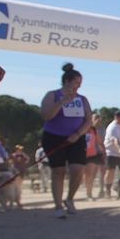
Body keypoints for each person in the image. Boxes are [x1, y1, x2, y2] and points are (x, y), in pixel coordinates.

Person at [39, 63, 93, 218]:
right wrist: (61, 102)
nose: (78, 86)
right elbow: (46, 115)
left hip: (76, 137)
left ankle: (69, 199)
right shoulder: (52, 95)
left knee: (77, 170)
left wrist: (78, 134)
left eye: (80, 83)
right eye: (76, 82)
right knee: (58, 171)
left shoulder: (82, 99)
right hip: (53, 137)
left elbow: (88, 120)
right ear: (67, 82)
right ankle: (57, 206)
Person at [102, 109, 120, 196]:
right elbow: (115, 141)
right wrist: (119, 149)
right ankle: (107, 189)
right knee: (111, 171)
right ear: (117, 118)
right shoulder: (112, 127)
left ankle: (117, 186)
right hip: (112, 152)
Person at [82, 113, 104, 199]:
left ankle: (89, 194)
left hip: (92, 155)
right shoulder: (81, 130)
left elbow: (99, 141)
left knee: (90, 174)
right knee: (80, 174)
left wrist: (103, 150)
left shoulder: (94, 130)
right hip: (81, 154)